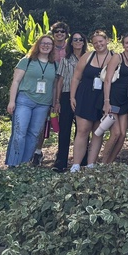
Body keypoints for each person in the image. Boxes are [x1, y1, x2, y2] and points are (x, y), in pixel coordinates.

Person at [6, 35, 58, 167]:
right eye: (43, 43)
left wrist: (54, 103)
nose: (46, 46)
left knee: (34, 135)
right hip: (25, 100)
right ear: (38, 45)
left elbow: (55, 86)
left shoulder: (55, 65)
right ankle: (14, 164)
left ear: (52, 47)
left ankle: (24, 164)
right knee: (19, 132)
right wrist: (12, 101)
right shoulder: (27, 61)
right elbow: (16, 81)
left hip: (43, 104)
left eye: (49, 44)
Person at [69, 30, 112, 172]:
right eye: (95, 43)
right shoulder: (87, 56)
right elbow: (76, 77)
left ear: (107, 41)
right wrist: (72, 96)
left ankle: (91, 164)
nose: (99, 44)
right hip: (85, 95)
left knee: (98, 131)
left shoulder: (114, 58)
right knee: (82, 130)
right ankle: (76, 164)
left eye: (101, 41)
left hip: (103, 98)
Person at [31, 21, 69, 166]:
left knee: (64, 123)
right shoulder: (48, 46)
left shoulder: (70, 47)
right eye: (56, 32)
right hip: (47, 88)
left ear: (66, 34)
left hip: (66, 89)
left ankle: (61, 151)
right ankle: (37, 152)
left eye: (62, 31)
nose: (59, 34)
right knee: (43, 121)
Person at [52, 31, 87, 171]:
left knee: (83, 130)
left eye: (80, 39)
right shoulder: (65, 59)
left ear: (84, 42)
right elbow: (59, 80)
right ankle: (61, 162)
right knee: (65, 129)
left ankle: (82, 161)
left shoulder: (89, 58)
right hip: (67, 95)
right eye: (75, 40)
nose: (78, 42)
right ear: (71, 43)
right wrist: (57, 101)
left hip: (84, 96)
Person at [101, 33, 128, 164]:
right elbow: (107, 80)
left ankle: (110, 163)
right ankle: (103, 163)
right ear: (123, 45)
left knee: (122, 135)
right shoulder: (118, 57)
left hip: (125, 99)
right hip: (113, 97)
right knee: (115, 133)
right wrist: (106, 101)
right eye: (127, 42)